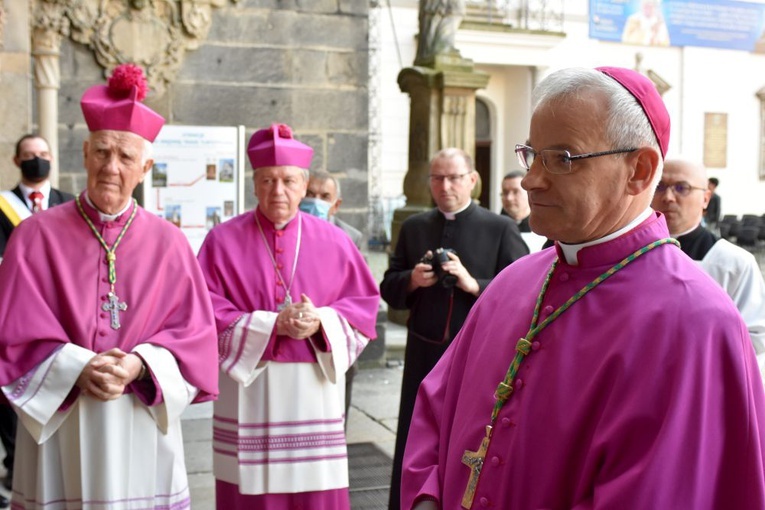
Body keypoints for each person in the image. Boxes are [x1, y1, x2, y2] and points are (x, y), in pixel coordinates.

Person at [401, 67, 765, 509]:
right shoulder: (512, 283)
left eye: (562, 158)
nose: (533, 179)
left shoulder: (695, 322)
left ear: (639, 169)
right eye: (532, 154)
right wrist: (427, 497)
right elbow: (438, 407)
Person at [0, 63, 219, 509]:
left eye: (125, 156)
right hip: (61, 419)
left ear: (146, 166)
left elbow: (195, 335)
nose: (111, 167)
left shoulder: (171, 243)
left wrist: (140, 365)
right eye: (102, 152)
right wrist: (76, 367)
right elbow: (12, 331)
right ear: (83, 154)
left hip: (140, 416)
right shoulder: (34, 236)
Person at [197, 123, 380, 509]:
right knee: (251, 493)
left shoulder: (335, 240)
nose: (277, 191)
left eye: (287, 181)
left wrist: (321, 322)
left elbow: (363, 306)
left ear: (303, 184)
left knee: (315, 492)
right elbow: (202, 309)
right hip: (250, 387)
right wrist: (272, 324)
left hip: (312, 389)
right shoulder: (222, 240)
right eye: (267, 181)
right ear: (254, 184)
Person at [381, 147, 529, 510]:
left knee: (468, 435)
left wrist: (473, 282)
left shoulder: (500, 228)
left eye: (454, 178)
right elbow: (389, 288)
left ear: (472, 181)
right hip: (424, 351)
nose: (444, 186)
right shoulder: (414, 227)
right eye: (437, 178)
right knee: (415, 438)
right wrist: (412, 280)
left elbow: (527, 292)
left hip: (478, 355)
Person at [652, 157, 765, 377]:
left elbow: (756, 337)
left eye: (681, 188)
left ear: (705, 199)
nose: (668, 197)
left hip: (705, 379)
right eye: (659, 187)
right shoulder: (629, 258)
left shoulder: (734, 263)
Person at [0, 134, 74, 260]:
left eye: (43, 154)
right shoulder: (3, 204)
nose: (37, 160)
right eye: (29, 155)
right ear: (16, 160)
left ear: (51, 158)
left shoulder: (70, 203)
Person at [303, 169, 363, 248]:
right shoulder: (286, 229)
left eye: (325, 197)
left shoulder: (350, 238)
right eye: (309, 194)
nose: (316, 201)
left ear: (336, 205)